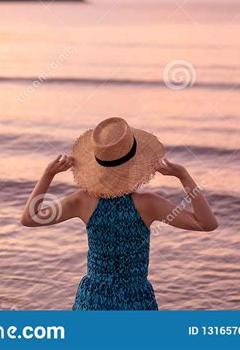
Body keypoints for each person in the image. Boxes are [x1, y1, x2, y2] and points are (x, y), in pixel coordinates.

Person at [20, 116, 218, 310]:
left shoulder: (82, 201)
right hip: (136, 300)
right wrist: (183, 176)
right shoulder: (149, 204)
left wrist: (48, 174)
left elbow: (30, 218)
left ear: (97, 165)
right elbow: (206, 223)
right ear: (136, 164)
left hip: (93, 299)